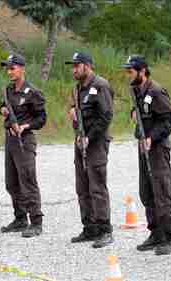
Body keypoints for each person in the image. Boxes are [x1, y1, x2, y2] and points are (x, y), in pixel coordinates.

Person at [122, 55, 171, 255]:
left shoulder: (156, 91)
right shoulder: (137, 92)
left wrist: (152, 137)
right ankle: (156, 233)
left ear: (142, 71)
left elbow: (169, 119)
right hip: (144, 148)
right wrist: (133, 113)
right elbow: (143, 114)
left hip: (157, 148)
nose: (128, 75)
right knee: (146, 192)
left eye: (131, 71)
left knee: (162, 192)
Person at [66, 52, 114, 249]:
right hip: (80, 140)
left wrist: (89, 137)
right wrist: (73, 115)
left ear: (87, 66)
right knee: (82, 186)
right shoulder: (78, 88)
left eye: (77, 66)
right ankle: (90, 227)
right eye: (73, 66)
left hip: (95, 142)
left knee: (97, 186)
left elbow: (106, 115)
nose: (74, 69)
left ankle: (105, 229)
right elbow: (78, 112)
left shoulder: (100, 85)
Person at [0, 54, 46, 238]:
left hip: (24, 140)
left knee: (28, 180)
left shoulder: (33, 92)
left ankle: (36, 221)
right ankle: (20, 218)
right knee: (12, 182)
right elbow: (2, 106)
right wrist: (2, 109)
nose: (9, 71)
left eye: (12, 68)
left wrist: (26, 126)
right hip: (9, 140)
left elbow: (41, 118)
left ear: (22, 68)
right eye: (8, 68)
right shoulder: (8, 90)